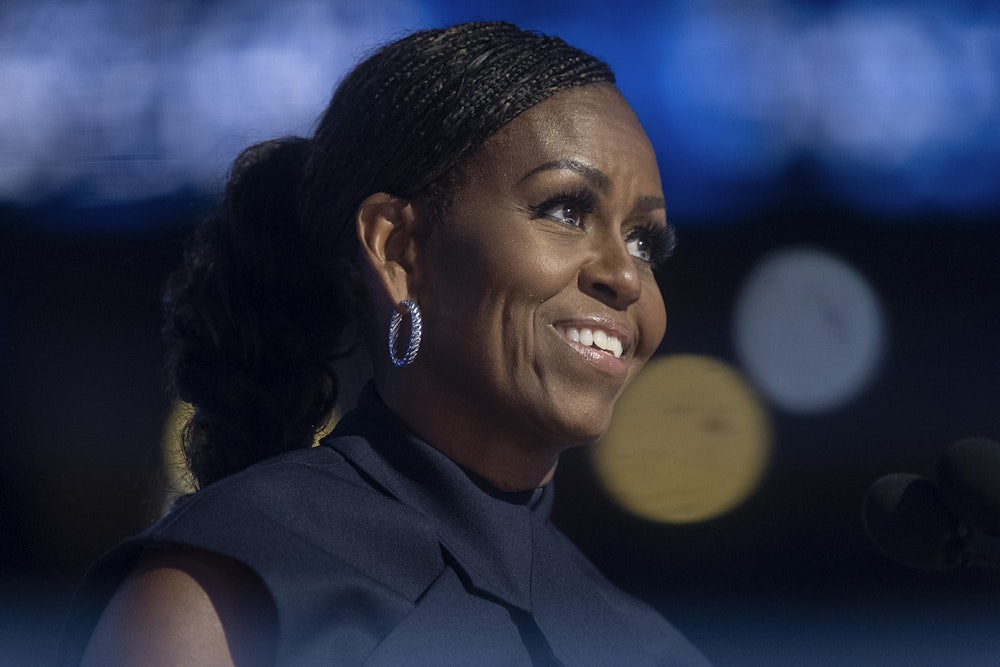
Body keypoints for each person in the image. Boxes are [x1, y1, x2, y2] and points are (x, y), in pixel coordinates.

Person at [59, 21, 711, 666]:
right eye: (565, 209)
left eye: (644, 241)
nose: (626, 276)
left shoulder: (651, 644)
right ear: (398, 251)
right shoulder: (219, 593)